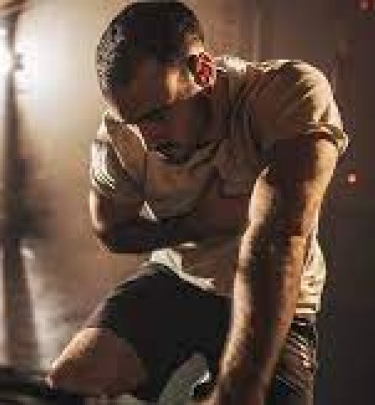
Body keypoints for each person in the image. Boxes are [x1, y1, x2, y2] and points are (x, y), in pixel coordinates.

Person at [46, 2, 348, 404]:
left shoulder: (285, 93)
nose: (149, 139)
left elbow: (278, 239)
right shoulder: (119, 137)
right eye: (136, 122)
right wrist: (196, 225)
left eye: (158, 114)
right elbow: (111, 230)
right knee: (71, 383)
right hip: (178, 279)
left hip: (277, 300)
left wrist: (237, 390)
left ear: (203, 71)